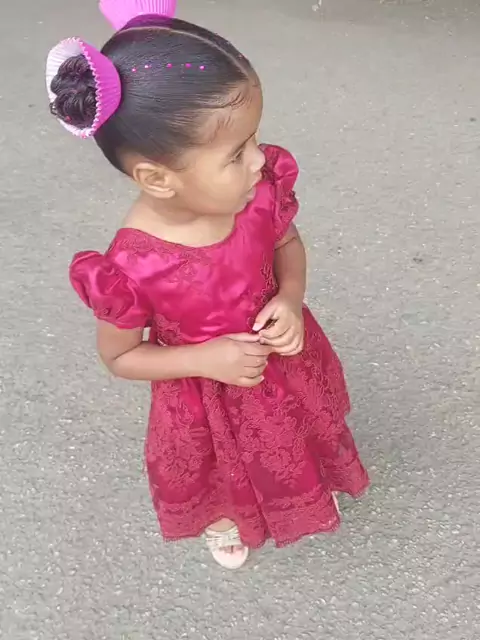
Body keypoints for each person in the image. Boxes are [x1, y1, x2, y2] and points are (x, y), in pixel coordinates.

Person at [46, 0, 369, 569]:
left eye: (255, 139)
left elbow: (287, 245)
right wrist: (205, 358)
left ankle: (306, 484)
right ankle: (225, 521)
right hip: (204, 397)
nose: (258, 161)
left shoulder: (258, 197)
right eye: (236, 153)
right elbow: (121, 357)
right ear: (156, 178)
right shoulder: (131, 267)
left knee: (298, 429)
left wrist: (290, 297)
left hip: (281, 364)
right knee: (220, 470)